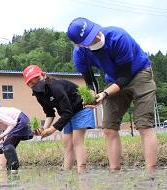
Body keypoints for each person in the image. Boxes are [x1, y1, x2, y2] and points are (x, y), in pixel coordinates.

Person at [66, 17, 157, 174]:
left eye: (94, 33)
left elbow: (126, 76)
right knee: (108, 128)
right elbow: (90, 82)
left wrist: (105, 94)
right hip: (113, 78)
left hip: (139, 73)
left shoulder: (118, 37)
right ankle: (114, 174)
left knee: (144, 125)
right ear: (80, 44)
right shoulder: (80, 54)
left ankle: (151, 175)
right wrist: (92, 96)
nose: (96, 37)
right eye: (89, 39)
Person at [22, 65, 95, 173]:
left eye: (37, 78)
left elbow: (67, 111)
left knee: (77, 141)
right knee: (67, 144)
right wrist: (43, 129)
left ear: (43, 75)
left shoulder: (55, 87)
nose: (36, 83)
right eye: (32, 83)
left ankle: (82, 172)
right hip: (67, 114)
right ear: (28, 85)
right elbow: (50, 113)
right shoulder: (38, 94)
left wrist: (52, 129)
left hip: (80, 109)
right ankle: (66, 173)